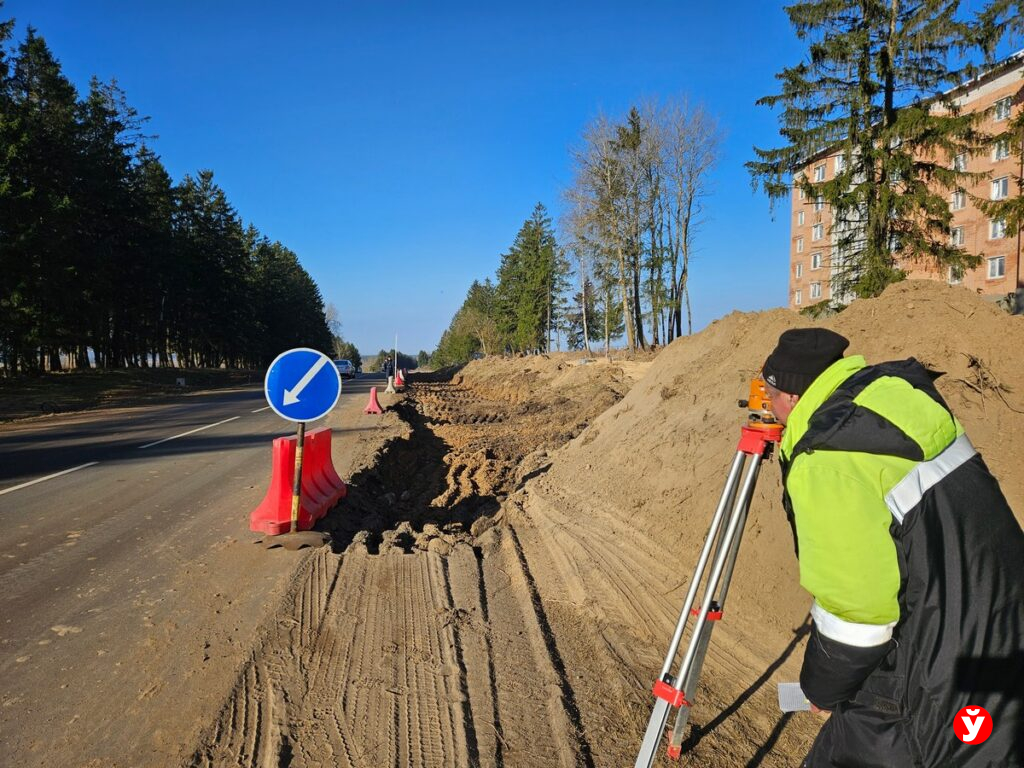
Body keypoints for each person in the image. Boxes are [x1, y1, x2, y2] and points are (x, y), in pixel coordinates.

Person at [761, 327, 1024, 767]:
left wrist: (822, 690)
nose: (767, 406)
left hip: (931, 677)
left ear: (790, 397)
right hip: (996, 623)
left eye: (769, 395)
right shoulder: (892, 400)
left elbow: (858, 612)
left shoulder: (826, 459)